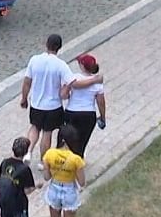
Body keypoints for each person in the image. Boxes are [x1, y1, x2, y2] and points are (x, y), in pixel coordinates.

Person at [19, 34, 100, 169]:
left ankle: (28, 151)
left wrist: (24, 98)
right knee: (47, 132)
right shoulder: (61, 65)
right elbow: (74, 83)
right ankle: (42, 162)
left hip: (36, 103)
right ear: (59, 47)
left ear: (46, 44)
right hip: (53, 105)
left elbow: (27, 81)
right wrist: (94, 80)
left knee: (34, 127)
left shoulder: (34, 60)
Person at [39, 124, 87, 217]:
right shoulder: (76, 160)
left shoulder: (49, 154)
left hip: (54, 190)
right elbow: (82, 182)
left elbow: (46, 177)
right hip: (68, 193)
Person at [60, 55, 106, 157]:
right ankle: (78, 162)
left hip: (71, 112)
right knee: (82, 141)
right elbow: (101, 102)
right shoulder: (98, 82)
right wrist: (102, 117)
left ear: (82, 66)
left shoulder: (73, 78)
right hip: (88, 115)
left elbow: (63, 95)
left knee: (68, 138)